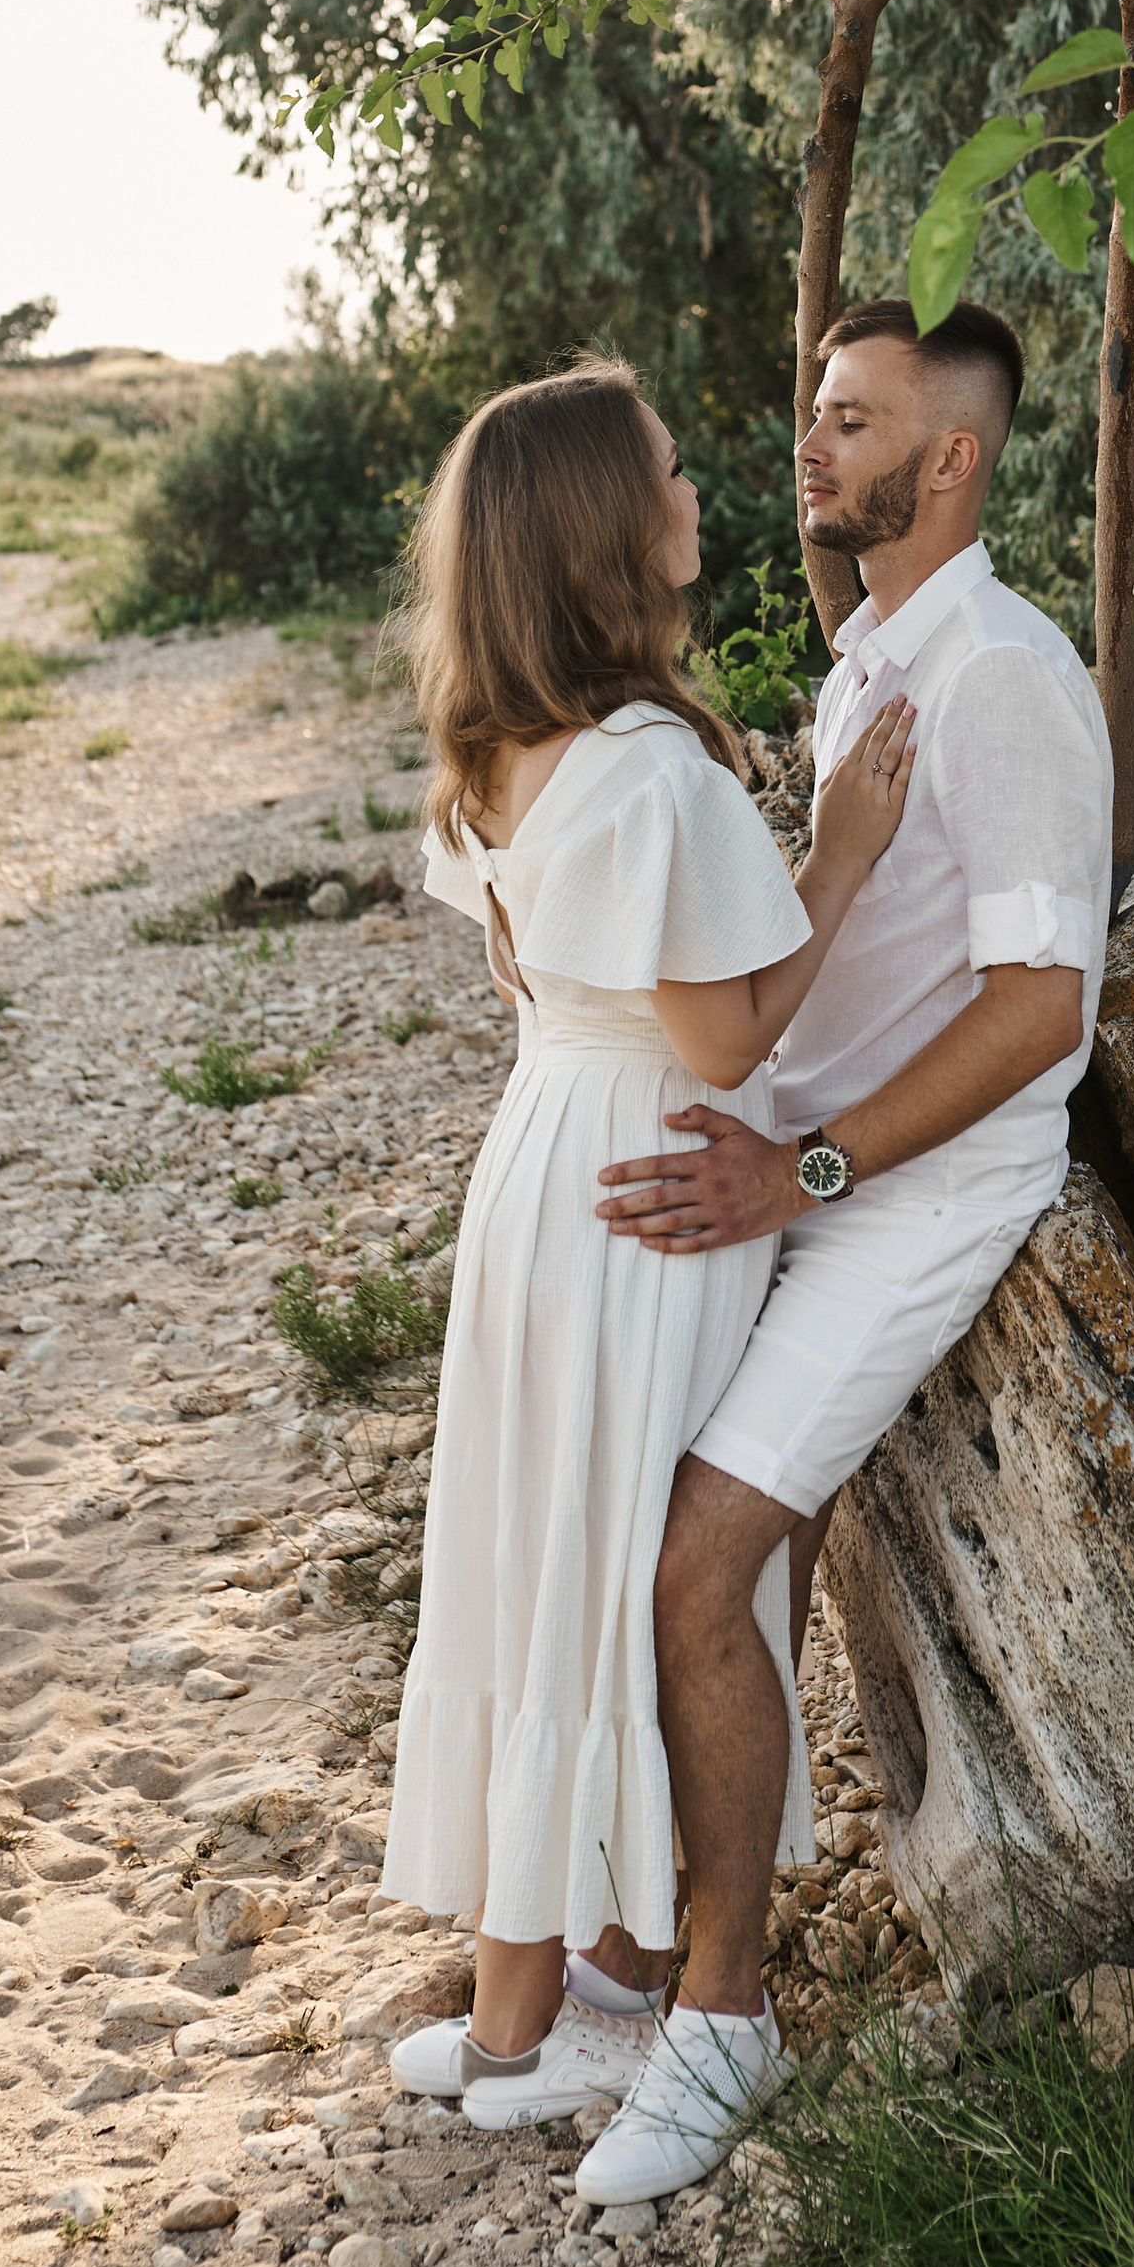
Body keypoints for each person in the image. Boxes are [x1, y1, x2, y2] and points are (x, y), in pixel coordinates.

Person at [574, 298, 1114, 2200]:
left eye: (854, 418)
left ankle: (725, 2023)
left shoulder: (1006, 677)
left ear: (949, 461)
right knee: (671, 1526)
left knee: (700, 1564)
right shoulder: (872, 650)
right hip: (812, 1152)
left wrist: (801, 1169)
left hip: (923, 1189)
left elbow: (1043, 1009)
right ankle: (628, 1961)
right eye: (812, 410)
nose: (811, 446)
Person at [379, 359, 917, 2129]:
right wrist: (838, 860)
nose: (705, 488)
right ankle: (546, 2024)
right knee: (619, 1572)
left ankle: (526, 2008)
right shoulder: (657, 773)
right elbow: (723, 1040)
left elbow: (536, 981)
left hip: (542, 1158)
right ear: (615, 528)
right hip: (652, 1179)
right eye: (675, 470)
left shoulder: (502, 753)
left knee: (549, 1562)